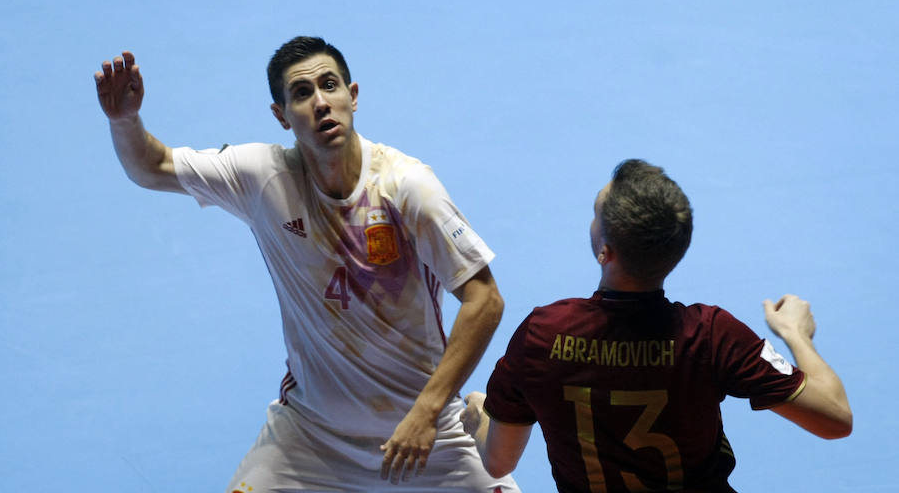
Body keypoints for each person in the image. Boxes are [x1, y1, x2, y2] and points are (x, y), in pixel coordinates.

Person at [94, 37, 520, 493]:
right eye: (301, 94)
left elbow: (485, 299)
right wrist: (125, 120)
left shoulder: (407, 187)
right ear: (281, 115)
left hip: (421, 433)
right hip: (311, 439)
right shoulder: (262, 176)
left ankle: (473, 416)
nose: (320, 103)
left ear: (352, 96)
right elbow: (152, 165)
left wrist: (427, 410)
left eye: (329, 85)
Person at [461, 159, 852, 492]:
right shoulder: (712, 335)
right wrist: (798, 335)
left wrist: (482, 415)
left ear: (605, 251)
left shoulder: (542, 336)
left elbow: (497, 462)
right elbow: (835, 419)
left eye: (595, 216)